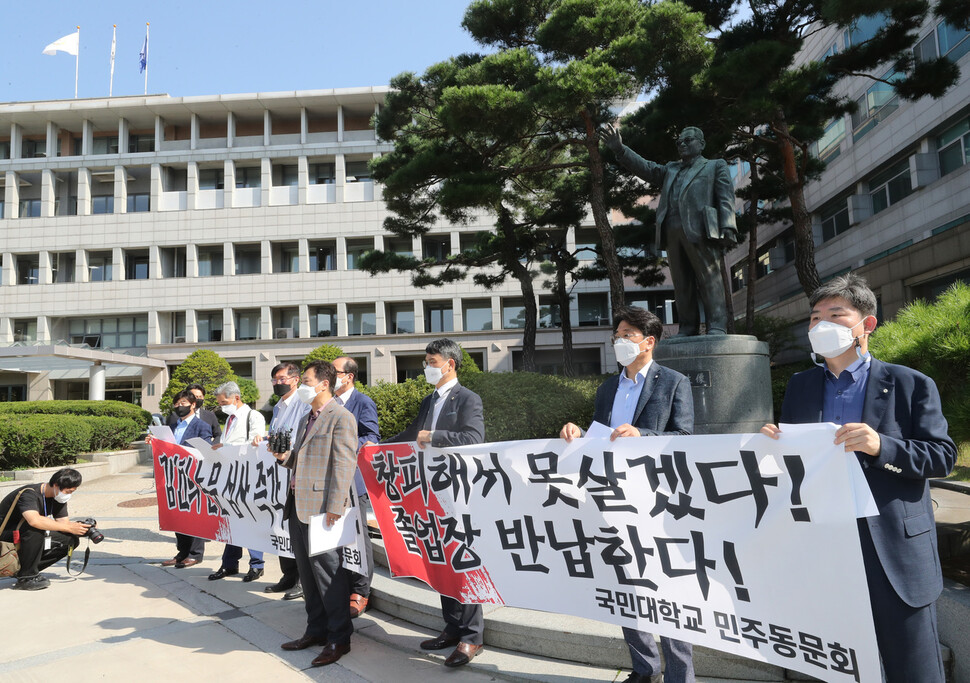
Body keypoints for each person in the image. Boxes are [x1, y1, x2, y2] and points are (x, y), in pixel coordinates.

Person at [761, 273, 956, 682]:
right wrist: (775, 448)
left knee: (913, 666)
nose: (820, 326)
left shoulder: (908, 383)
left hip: (892, 547)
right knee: (840, 666)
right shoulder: (800, 386)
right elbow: (798, 464)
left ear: (866, 324)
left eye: (835, 315)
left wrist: (881, 446)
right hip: (825, 547)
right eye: (814, 318)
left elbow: (942, 457)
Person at [560, 306, 695, 683]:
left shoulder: (673, 382)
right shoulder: (607, 388)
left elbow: (686, 438)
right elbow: (599, 436)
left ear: (649, 342)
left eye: (626, 335)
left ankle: (680, 675)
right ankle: (643, 667)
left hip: (656, 500)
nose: (618, 342)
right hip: (612, 498)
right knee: (626, 588)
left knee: (667, 590)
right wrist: (576, 433)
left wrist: (644, 437)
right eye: (616, 336)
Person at [380, 338, 486, 668]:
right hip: (427, 495)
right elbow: (411, 433)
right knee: (440, 561)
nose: (426, 367)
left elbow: (474, 439)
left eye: (431, 361)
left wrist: (434, 437)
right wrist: (375, 449)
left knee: (461, 563)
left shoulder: (468, 398)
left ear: (449, 364)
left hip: (455, 495)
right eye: (426, 361)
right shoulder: (430, 400)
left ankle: (472, 637)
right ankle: (452, 627)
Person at [600, 124, 737, 336]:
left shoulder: (714, 166)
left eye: (687, 140)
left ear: (701, 144)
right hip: (672, 231)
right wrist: (620, 149)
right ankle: (688, 327)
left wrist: (727, 226)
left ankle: (717, 326)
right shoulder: (671, 169)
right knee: (682, 284)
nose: (682, 144)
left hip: (701, 229)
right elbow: (645, 168)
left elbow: (725, 197)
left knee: (709, 279)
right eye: (679, 141)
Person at [274, 360, 358, 667]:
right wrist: (284, 457)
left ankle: (339, 638)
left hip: (324, 510)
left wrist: (336, 506)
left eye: (306, 380)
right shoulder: (306, 418)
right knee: (308, 577)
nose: (302, 386)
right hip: (297, 506)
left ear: (324, 384)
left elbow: (344, 464)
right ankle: (316, 630)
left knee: (330, 577)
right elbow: (299, 458)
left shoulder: (341, 417)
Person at [332, 356, 380, 618]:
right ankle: (342, 586)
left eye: (335, 372)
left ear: (349, 376)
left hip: (354, 481)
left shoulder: (362, 402)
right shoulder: (328, 403)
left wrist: (341, 443)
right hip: (330, 482)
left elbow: (371, 436)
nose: (330, 376)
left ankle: (361, 591)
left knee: (358, 537)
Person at [257, 362, 309, 600]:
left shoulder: (303, 403)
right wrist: (264, 437)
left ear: (295, 379)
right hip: (277, 473)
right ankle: (288, 575)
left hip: (297, 471)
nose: (278, 383)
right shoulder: (278, 406)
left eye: (282, 379)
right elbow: (279, 433)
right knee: (281, 526)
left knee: (299, 529)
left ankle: (302, 580)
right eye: (275, 380)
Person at [209, 381, 267, 582]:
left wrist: (225, 446)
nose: (222, 406)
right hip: (230, 476)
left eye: (224, 402)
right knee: (232, 521)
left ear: (236, 398)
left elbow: (257, 445)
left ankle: (256, 564)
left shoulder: (254, 416)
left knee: (250, 520)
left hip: (248, 477)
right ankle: (229, 564)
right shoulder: (231, 419)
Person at [0, 468, 90, 590]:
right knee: (36, 528)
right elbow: (34, 520)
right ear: (56, 485)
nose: (69, 495)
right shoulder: (29, 493)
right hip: (5, 535)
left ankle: (22, 570)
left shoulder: (57, 497)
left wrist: (81, 528)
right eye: (68, 491)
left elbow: (63, 524)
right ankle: (27, 577)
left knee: (70, 540)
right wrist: (68, 527)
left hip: (22, 533)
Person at [155, 389, 215, 568]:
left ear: (193, 404)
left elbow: (205, 450)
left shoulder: (201, 425)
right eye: (177, 404)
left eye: (183, 404)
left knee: (195, 514)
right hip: (173, 476)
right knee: (177, 514)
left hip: (193, 476)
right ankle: (182, 552)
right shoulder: (173, 425)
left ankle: (195, 553)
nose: (179, 407)